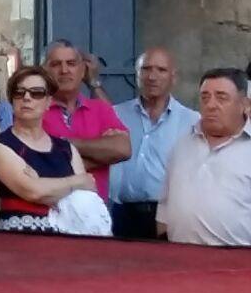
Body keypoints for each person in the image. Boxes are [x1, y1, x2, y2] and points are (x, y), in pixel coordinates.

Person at [0, 66, 96, 233]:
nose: (26, 98)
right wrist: (75, 182)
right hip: (19, 235)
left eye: (36, 93)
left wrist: (42, 184)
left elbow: (86, 194)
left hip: (68, 237)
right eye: (19, 92)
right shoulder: (2, 146)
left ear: (48, 102)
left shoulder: (66, 149)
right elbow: (33, 191)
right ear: (12, 100)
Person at [109, 48, 199, 240]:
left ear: (174, 77)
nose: (152, 76)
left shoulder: (192, 121)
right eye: (146, 69)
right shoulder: (116, 114)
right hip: (120, 214)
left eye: (161, 70)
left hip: (166, 217)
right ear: (137, 75)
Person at [157, 69, 251, 247]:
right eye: (205, 97)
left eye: (221, 97)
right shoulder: (182, 146)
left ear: (244, 104)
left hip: (237, 264)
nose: (211, 105)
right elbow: (165, 203)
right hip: (180, 258)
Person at [42, 40, 130, 200]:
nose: (64, 70)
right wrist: (103, 157)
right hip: (48, 214)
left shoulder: (100, 108)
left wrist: (64, 143)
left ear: (83, 71)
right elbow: (38, 166)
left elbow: (123, 149)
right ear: (44, 72)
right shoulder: (35, 110)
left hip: (93, 216)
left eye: (71, 63)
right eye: (56, 64)